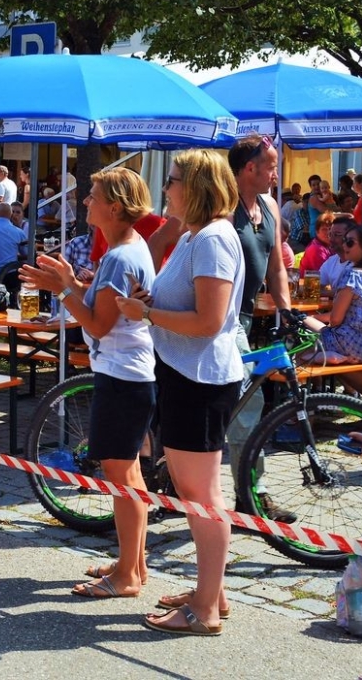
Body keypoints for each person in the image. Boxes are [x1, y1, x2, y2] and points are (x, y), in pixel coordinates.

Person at [117, 149, 243, 637]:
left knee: (201, 495)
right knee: (197, 492)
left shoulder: (211, 239)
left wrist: (146, 314)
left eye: (171, 181)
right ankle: (212, 593)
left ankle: (206, 608)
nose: (165, 188)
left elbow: (208, 321)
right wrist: (152, 305)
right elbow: (191, 306)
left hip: (200, 379)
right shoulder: (198, 235)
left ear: (195, 187)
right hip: (187, 374)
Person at [21, 167, 157, 598]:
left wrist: (63, 291)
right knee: (129, 471)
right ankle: (133, 562)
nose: (85, 201)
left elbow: (98, 324)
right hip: (128, 373)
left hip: (122, 375)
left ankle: (128, 577)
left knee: (121, 477)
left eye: (92, 194)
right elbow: (107, 306)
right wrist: (69, 283)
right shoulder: (128, 249)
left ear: (114, 206)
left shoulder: (120, 256)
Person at [303, 223, 362, 389]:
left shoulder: (353, 274)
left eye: (350, 242)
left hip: (349, 343)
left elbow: (336, 319)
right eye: (345, 240)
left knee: (299, 339)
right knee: (309, 323)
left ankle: (308, 396)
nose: (344, 245)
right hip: (361, 344)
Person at [319, 213, 354, 289]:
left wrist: (326, 293)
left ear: (350, 237)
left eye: (337, 235)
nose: (331, 239)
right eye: (330, 234)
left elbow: (349, 294)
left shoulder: (360, 264)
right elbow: (316, 286)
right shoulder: (331, 261)